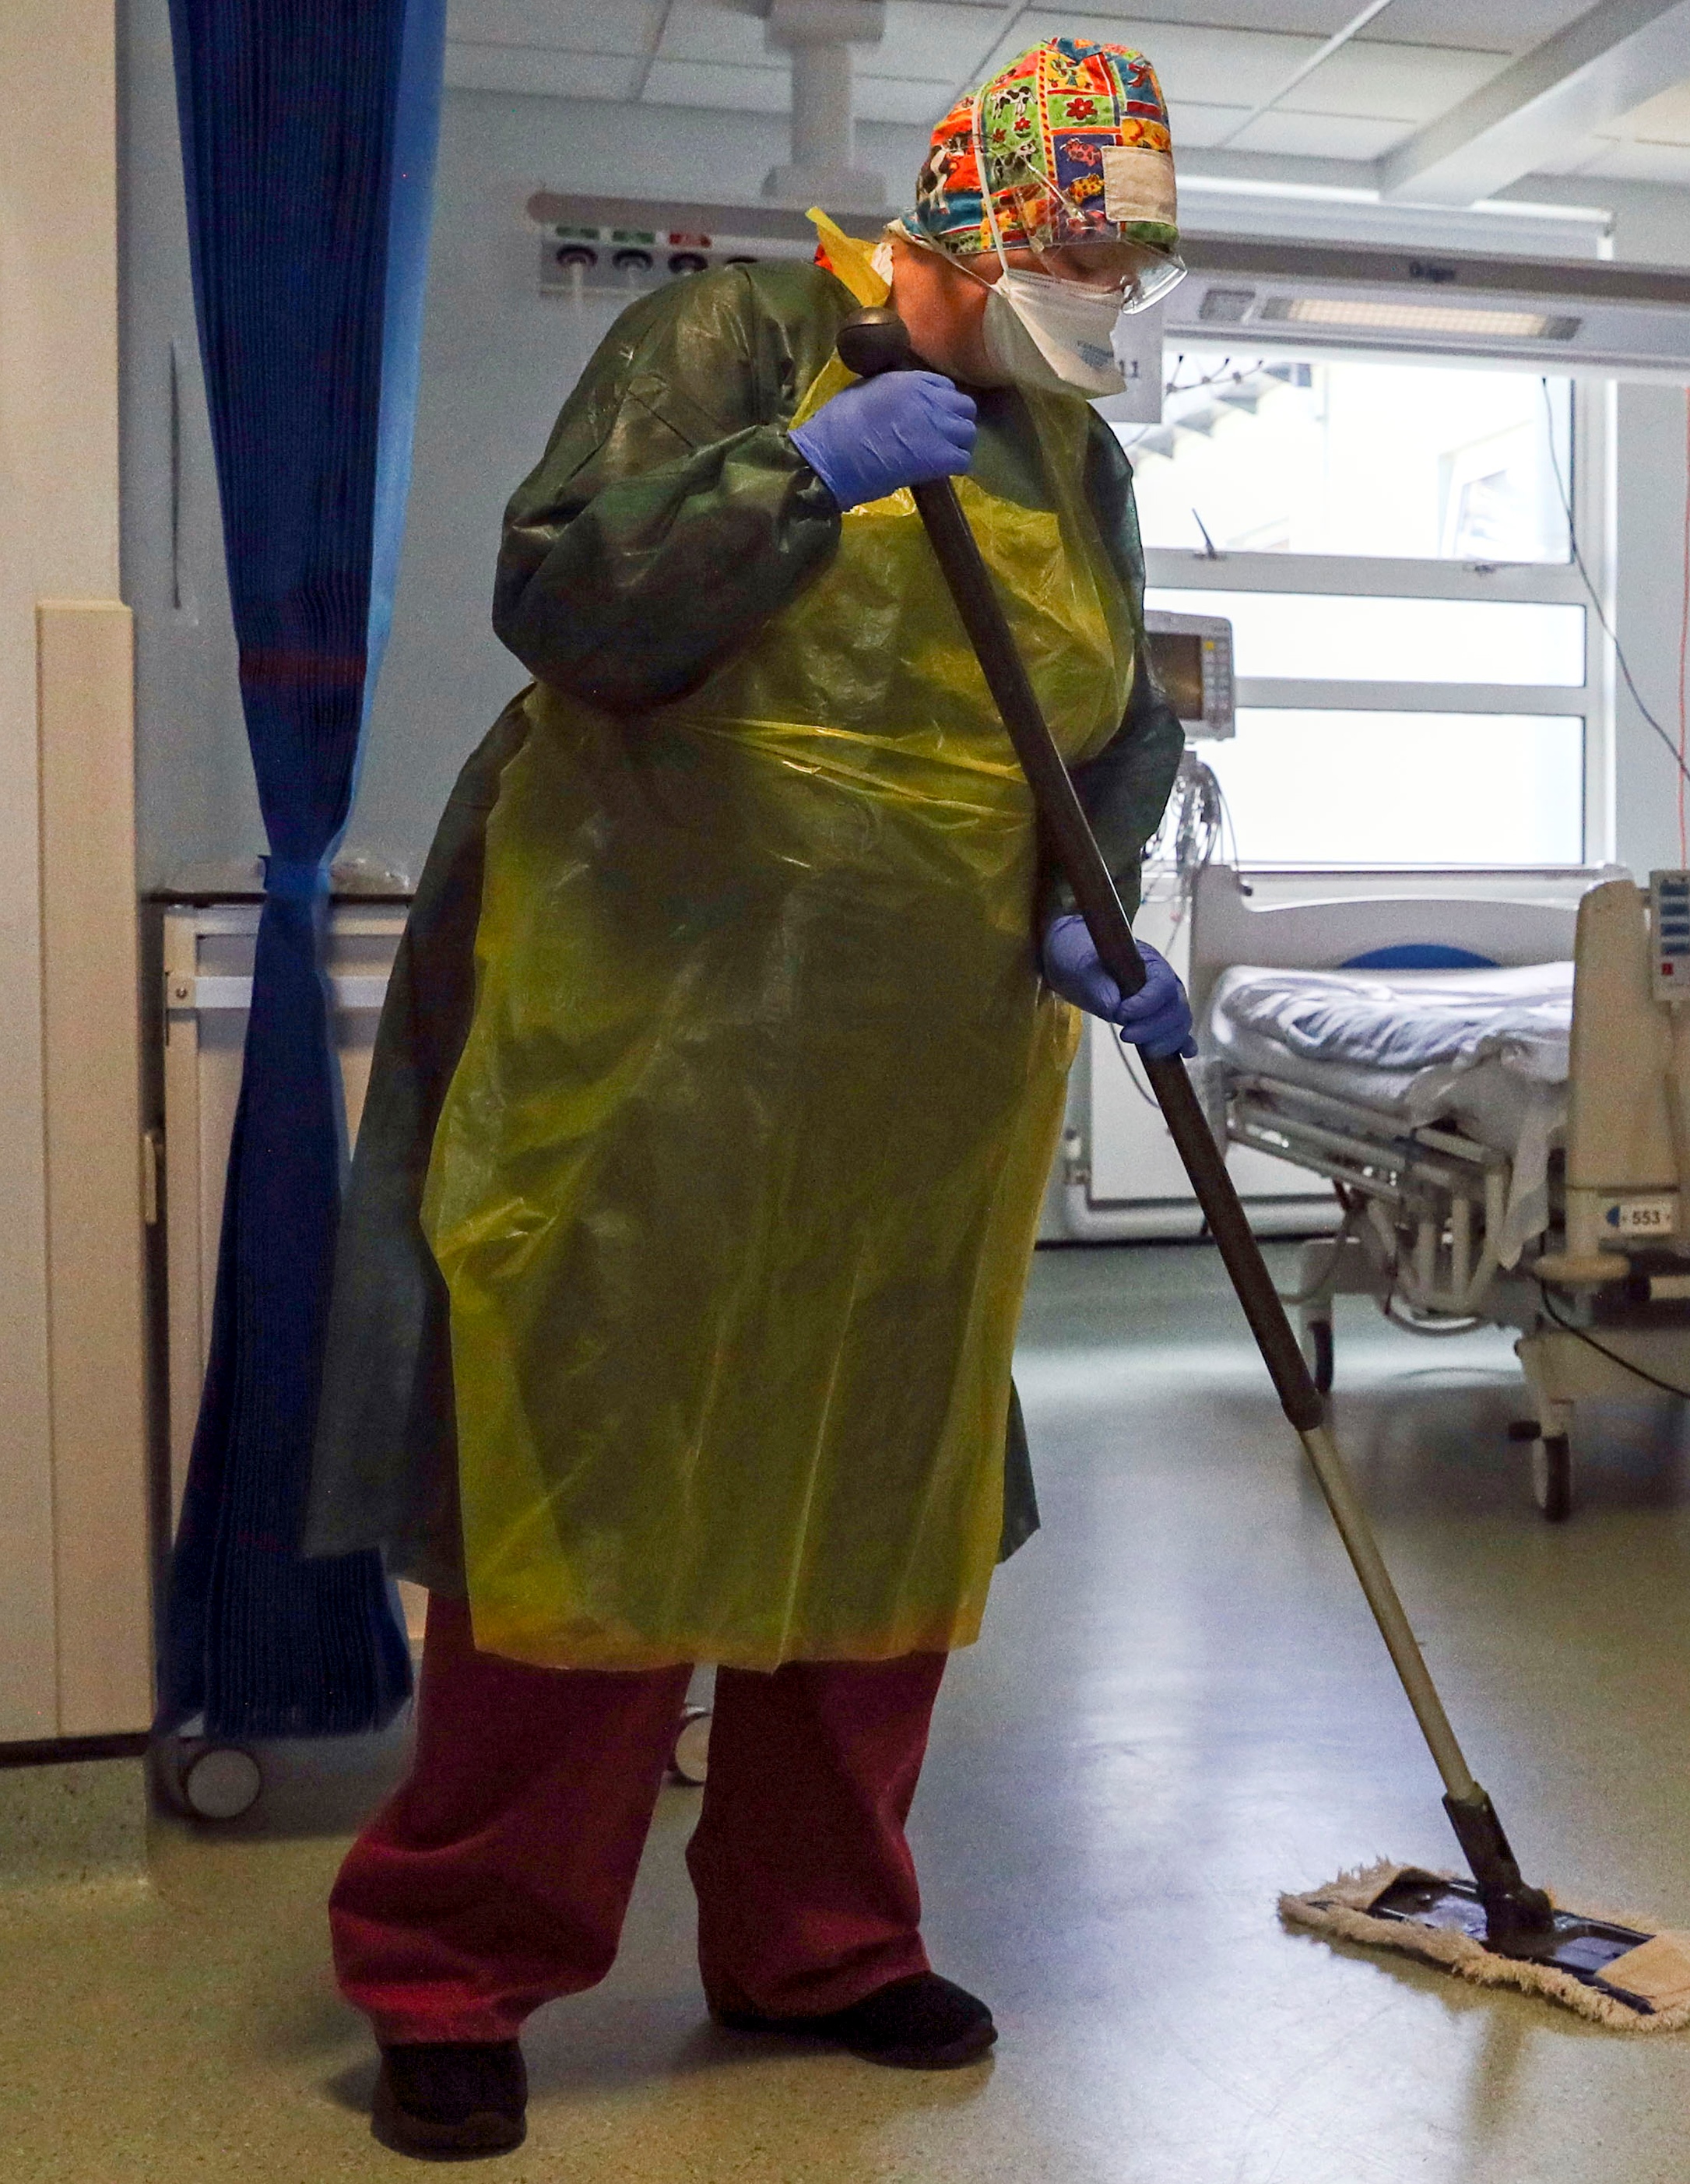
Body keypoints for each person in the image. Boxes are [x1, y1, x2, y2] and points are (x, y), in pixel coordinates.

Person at [302, 39, 1196, 2161]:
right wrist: (798, 475)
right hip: (654, 1044)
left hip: (922, 1081)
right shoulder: (723, 340)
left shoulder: (1072, 459)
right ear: (968, 219)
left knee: (876, 1504)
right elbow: (567, 603)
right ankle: (454, 1970)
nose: (1107, 300)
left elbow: (1111, 729)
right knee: (593, 1507)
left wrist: (1086, 907)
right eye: (1083, 254)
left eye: (1132, 268)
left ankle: (824, 1944)